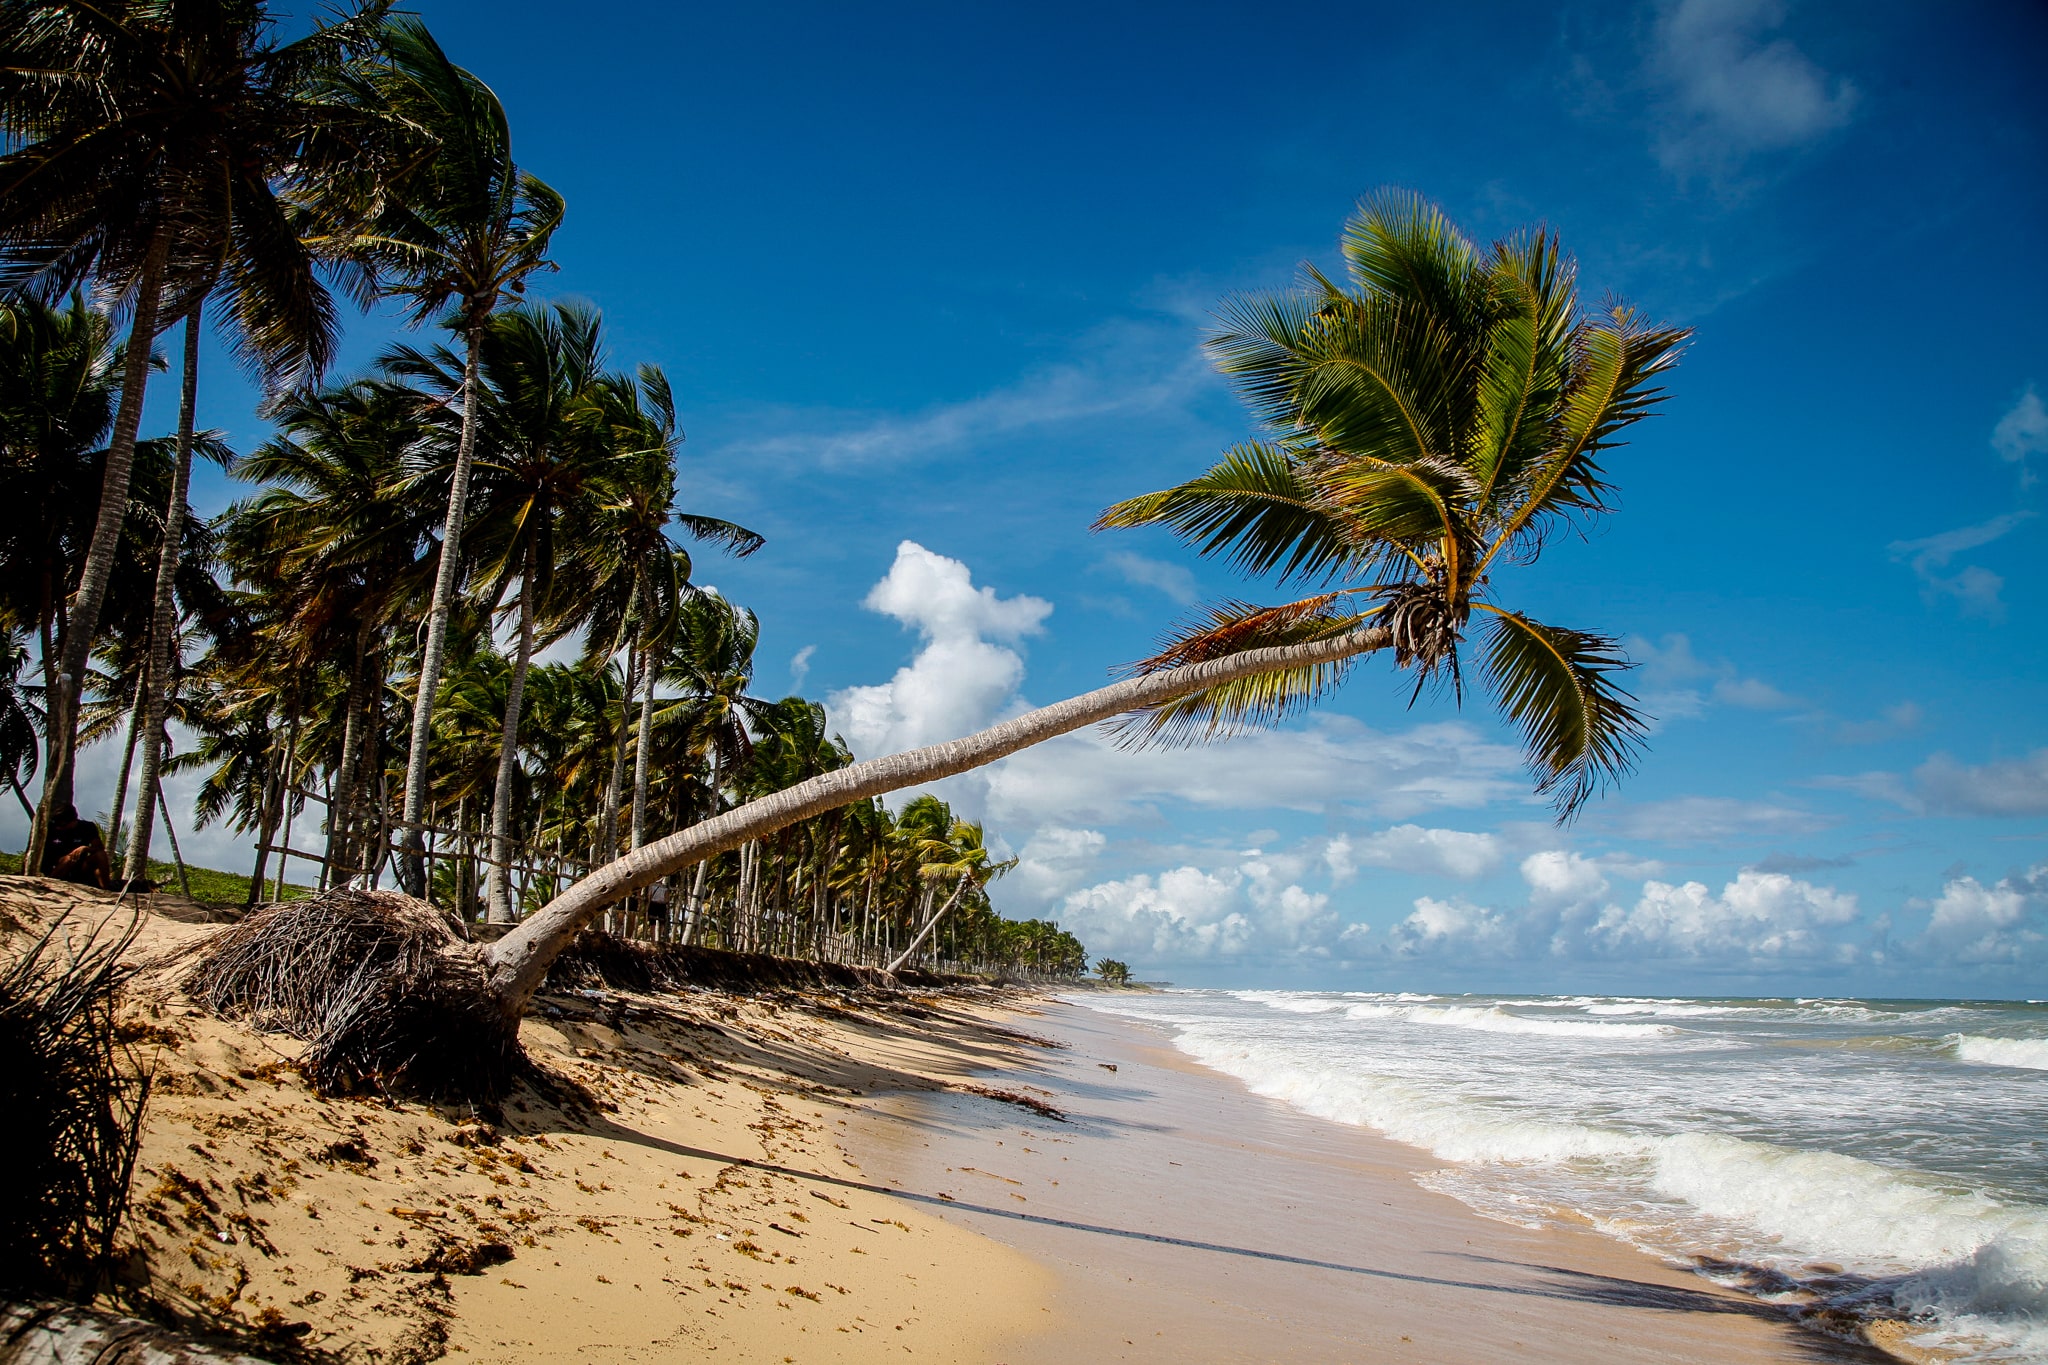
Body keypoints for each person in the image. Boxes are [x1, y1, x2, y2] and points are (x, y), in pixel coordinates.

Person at [44, 803, 111, 890]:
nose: (59, 828)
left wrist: (85, 848)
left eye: (62, 825)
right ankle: (51, 882)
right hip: (58, 867)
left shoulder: (87, 827)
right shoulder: (51, 829)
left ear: (72, 821)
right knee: (69, 859)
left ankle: (106, 888)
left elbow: (99, 848)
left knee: (101, 855)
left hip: (80, 867)